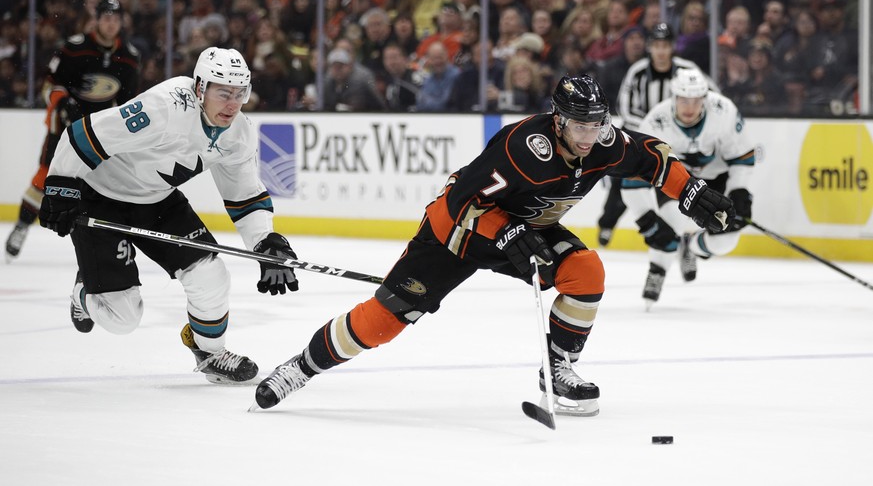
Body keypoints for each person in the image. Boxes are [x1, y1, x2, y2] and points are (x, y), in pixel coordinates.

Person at [252, 74, 735, 415]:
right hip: (456, 232)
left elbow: (651, 158)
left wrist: (690, 190)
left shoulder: (604, 141)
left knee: (586, 272)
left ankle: (559, 368)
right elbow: (464, 201)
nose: (591, 136)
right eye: (581, 126)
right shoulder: (523, 146)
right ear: (558, 120)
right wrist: (506, 233)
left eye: (597, 124)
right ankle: (301, 366)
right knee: (386, 319)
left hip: (526, 228)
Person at [37, 47, 300, 384]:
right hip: (100, 198)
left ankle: (210, 354)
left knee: (212, 276)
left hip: (158, 202)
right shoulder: (165, 106)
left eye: (240, 94)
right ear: (201, 88)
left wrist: (265, 241)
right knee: (123, 319)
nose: (233, 104)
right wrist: (60, 185)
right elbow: (83, 135)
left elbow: (244, 195)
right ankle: (82, 293)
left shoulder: (239, 134)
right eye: (224, 93)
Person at [5, 0, 140, 262]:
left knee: (108, 183)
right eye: (106, 17)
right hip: (63, 127)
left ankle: (108, 242)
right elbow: (50, 86)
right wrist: (64, 103)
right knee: (46, 177)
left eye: (115, 18)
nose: (111, 24)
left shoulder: (130, 57)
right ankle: (22, 225)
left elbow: (127, 102)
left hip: (100, 131)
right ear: (97, 19)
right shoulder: (74, 48)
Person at [623, 67, 755, 306]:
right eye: (684, 99)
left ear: (705, 99)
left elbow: (742, 157)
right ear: (673, 97)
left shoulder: (723, 111)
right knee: (671, 223)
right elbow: (631, 177)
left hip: (715, 180)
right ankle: (657, 269)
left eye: (696, 101)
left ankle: (692, 246)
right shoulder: (655, 121)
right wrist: (647, 219)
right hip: (676, 182)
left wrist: (739, 192)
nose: (689, 107)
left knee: (727, 241)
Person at [595, 23, 715, 247]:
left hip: (677, 141)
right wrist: (654, 132)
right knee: (622, 184)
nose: (661, 51)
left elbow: (712, 96)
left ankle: (679, 236)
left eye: (665, 46)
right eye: (657, 46)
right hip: (640, 140)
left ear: (672, 47)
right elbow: (625, 107)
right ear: (650, 47)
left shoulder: (687, 70)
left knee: (674, 182)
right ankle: (607, 223)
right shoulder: (638, 71)